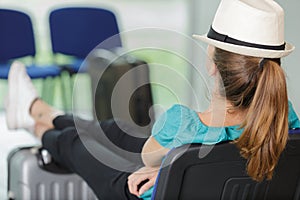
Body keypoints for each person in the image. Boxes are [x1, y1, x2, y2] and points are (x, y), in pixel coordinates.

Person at [5, 0, 300, 199]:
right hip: (185, 181)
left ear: (212, 64)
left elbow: (148, 157)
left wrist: (168, 167)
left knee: (76, 141)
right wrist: (174, 167)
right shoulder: (286, 119)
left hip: (141, 192)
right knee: (120, 128)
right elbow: (229, 160)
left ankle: (33, 121)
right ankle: (39, 109)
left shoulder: (183, 124)